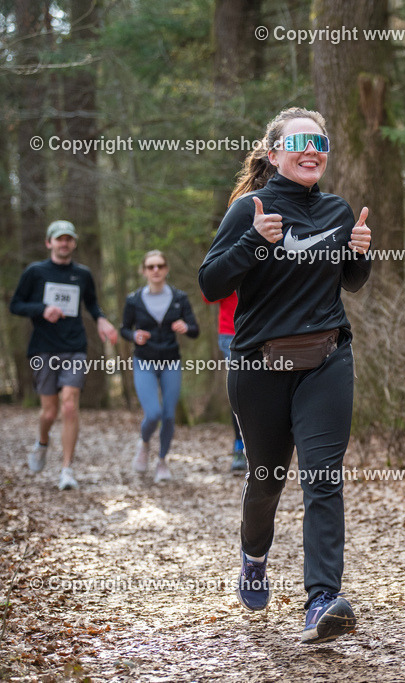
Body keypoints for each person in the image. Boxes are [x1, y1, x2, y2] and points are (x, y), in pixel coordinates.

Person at [198, 107, 372, 644]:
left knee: (323, 477)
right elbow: (209, 283)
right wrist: (254, 242)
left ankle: (321, 599)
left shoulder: (337, 210)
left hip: (326, 357)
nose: (312, 148)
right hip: (259, 365)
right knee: (267, 479)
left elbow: (351, 283)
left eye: (320, 140)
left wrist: (360, 255)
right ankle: (254, 556)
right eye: (299, 140)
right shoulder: (250, 209)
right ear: (273, 154)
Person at [9, 220, 119, 490]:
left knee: (69, 405)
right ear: (49, 243)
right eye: (59, 239)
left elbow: (92, 303)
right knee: (49, 412)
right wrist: (42, 309)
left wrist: (102, 320)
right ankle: (42, 441)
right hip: (43, 347)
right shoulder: (35, 272)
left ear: (74, 243)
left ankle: (67, 469)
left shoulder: (82, 274)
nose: (64, 243)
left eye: (69, 239)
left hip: (74, 346)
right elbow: (16, 305)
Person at [120, 250, 199, 483]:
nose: (156, 270)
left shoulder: (179, 297)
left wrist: (186, 327)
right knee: (153, 412)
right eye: (151, 266)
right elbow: (124, 328)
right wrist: (134, 335)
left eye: (160, 266)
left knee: (168, 415)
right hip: (144, 360)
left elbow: (195, 330)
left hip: (170, 360)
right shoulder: (134, 300)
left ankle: (162, 461)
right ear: (144, 271)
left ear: (166, 269)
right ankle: (144, 443)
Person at [203, 291, 247, 472]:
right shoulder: (228, 260)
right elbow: (209, 295)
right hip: (230, 334)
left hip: (264, 331)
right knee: (241, 388)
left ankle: (261, 447)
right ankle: (239, 446)